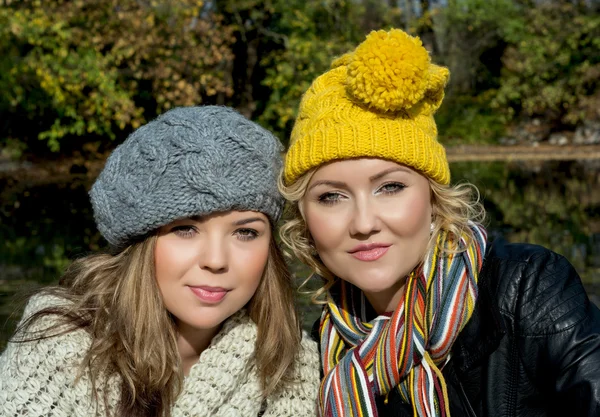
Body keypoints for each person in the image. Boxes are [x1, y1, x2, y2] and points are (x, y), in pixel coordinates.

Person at [278, 28, 600, 417]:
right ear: (304, 219)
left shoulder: (528, 289)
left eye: (390, 187)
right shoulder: (322, 350)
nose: (363, 223)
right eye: (331, 196)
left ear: (433, 198)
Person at [0, 106, 320, 417]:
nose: (216, 260)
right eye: (185, 229)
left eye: (246, 232)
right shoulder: (57, 344)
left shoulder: (292, 360)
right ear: (142, 241)